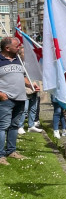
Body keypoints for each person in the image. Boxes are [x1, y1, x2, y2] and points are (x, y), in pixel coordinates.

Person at [0, 37, 36, 165]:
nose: (19, 48)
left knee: (14, 126)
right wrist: (0, 94)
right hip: (6, 100)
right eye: (17, 46)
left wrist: (30, 85)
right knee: (2, 127)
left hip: (21, 98)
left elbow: (22, 77)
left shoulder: (18, 60)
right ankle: (0, 155)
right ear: (7, 48)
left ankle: (11, 151)